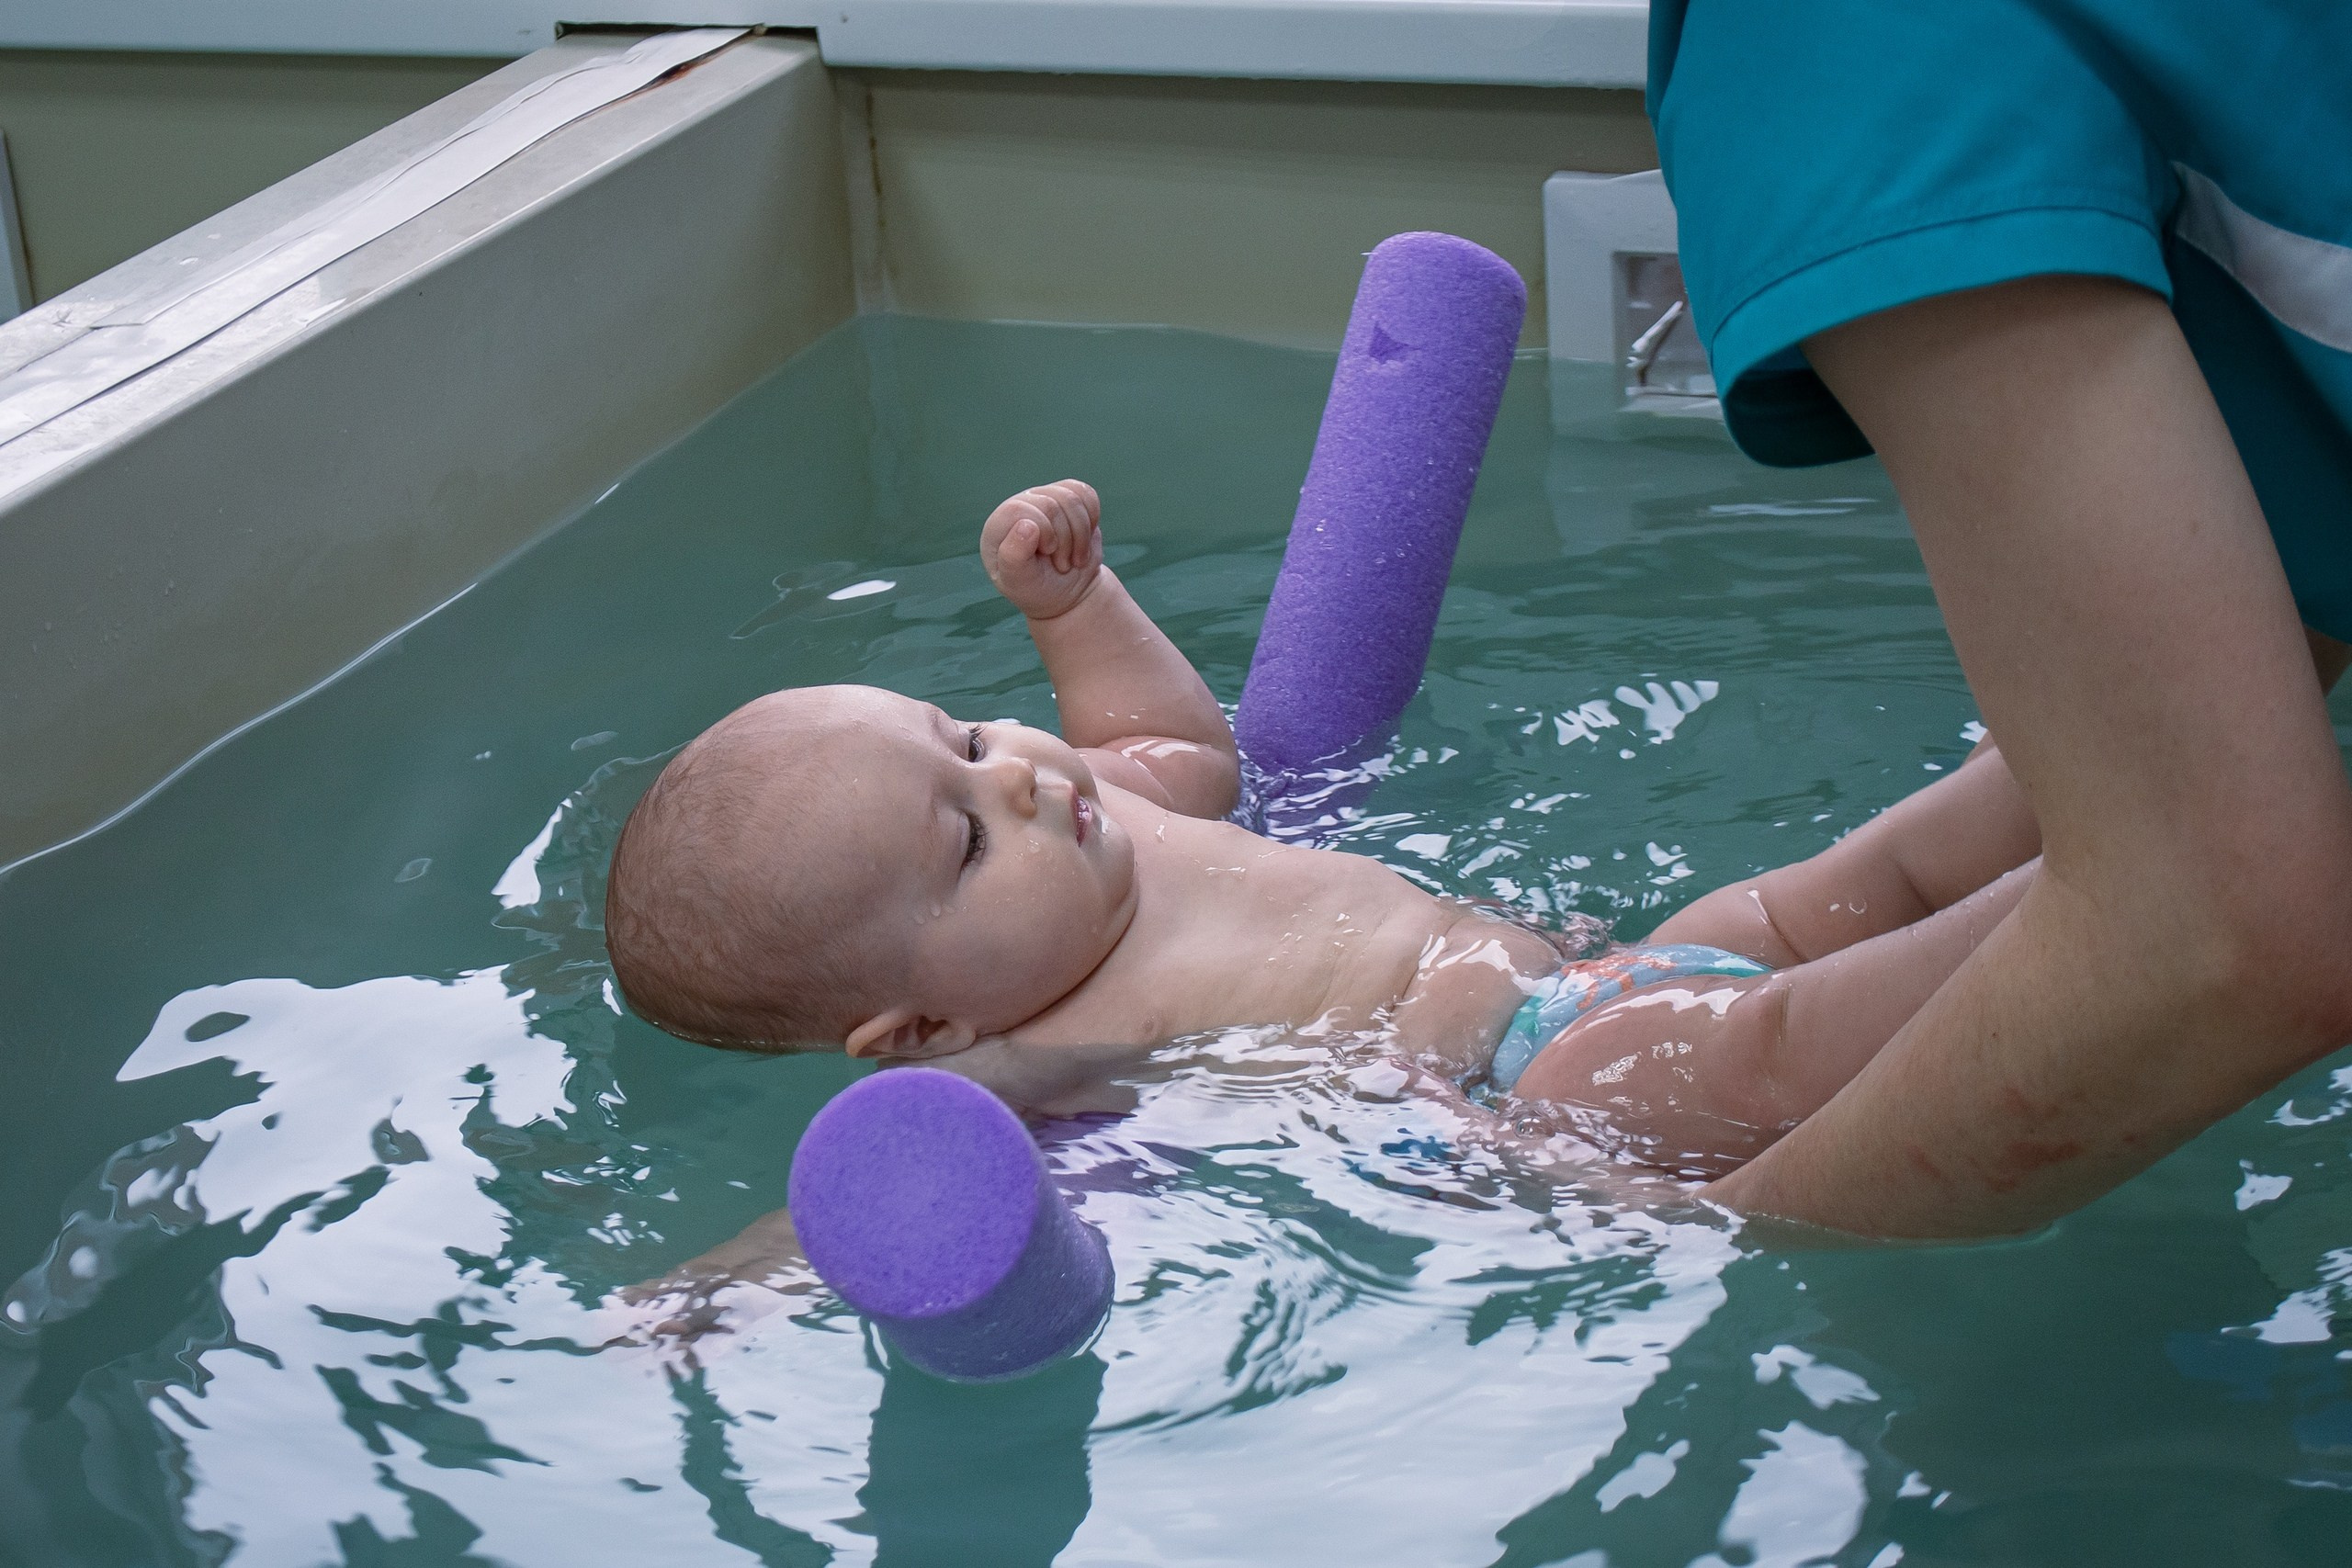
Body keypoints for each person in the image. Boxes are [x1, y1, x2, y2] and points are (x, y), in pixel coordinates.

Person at [603, 479, 2038, 1183]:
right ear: (920, 1028)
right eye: (968, 841)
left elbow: (1178, 749)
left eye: (967, 740)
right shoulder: (1016, 1057)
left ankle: (2078, 766)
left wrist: (1073, 606)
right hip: (1543, 1093)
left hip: (1599, 978)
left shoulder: (1104, 814)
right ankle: (2092, 897)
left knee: (1823, 898)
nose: (1021, 779)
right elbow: (899, 1184)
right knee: (1777, 1041)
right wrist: (743, 1279)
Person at [1641, 0, 2352, 1235]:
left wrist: (1660, 1242)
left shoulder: (1835, 40)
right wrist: (1798, 926)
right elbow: (2246, 669)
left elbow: (2222, 944)